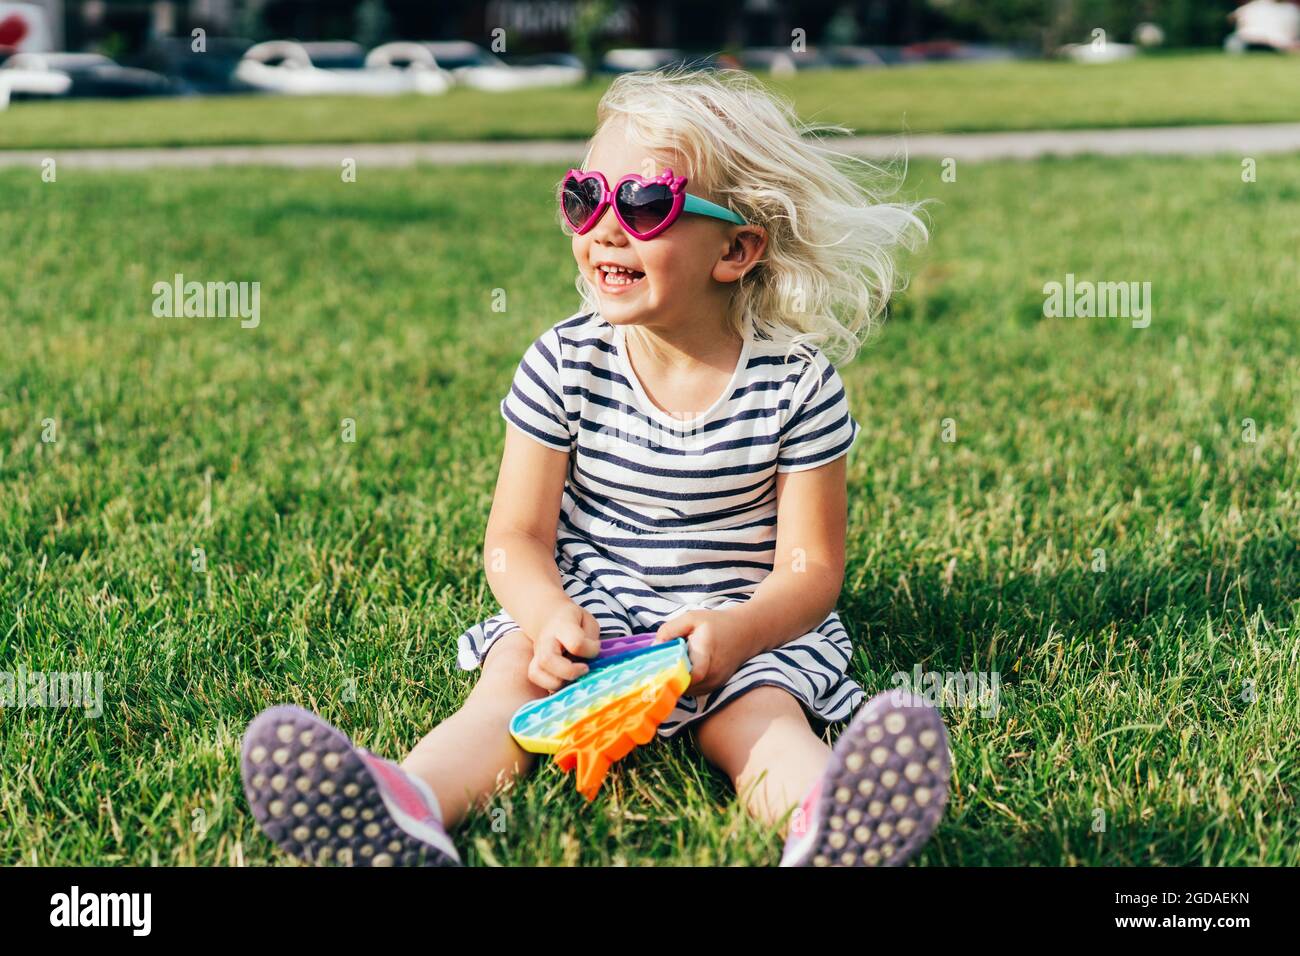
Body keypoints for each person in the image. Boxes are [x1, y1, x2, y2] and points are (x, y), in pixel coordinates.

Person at [240, 67, 951, 868]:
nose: (606, 229)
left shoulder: (795, 384)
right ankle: (404, 808)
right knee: (505, 691)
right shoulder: (563, 363)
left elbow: (812, 567)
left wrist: (738, 632)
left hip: (735, 623)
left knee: (758, 722)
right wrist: (546, 617)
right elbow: (514, 535)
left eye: (646, 205)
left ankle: (831, 826)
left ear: (736, 248)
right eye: (585, 199)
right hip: (589, 613)